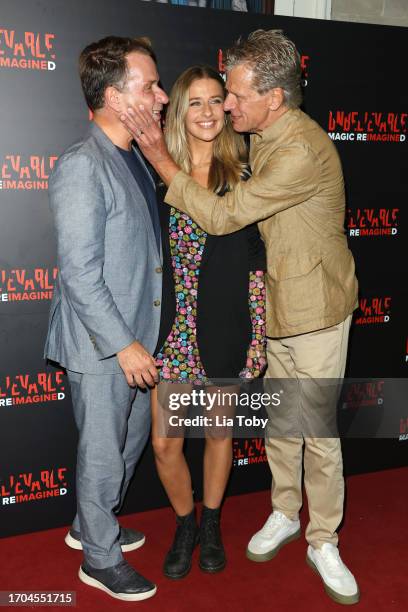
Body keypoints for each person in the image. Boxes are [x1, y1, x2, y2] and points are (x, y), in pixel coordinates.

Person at [121, 29, 360, 606]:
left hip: (312, 311)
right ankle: (282, 512)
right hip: (264, 311)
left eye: (232, 95)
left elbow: (227, 220)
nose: (225, 106)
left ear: (273, 99)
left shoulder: (290, 152)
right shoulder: (258, 142)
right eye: (205, 98)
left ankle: (323, 539)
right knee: (277, 427)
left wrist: (160, 159)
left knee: (318, 433)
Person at [44, 35, 168, 602]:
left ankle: (89, 524)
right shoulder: (82, 164)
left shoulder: (136, 155)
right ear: (116, 97)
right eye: (150, 86)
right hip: (103, 344)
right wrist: (122, 344)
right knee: (101, 451)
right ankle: (98, 557)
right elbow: (80, 273)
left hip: (138, 339)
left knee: (128, 442)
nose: (162, 96)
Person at [151, 65, 266, 579]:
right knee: (165, 443)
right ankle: (185, 523)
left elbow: (257, 267)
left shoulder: (244, 177)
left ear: (227, 107)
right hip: (171, 329)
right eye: (193, 102)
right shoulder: (157, 174)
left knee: (220, 434)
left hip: (225, 323)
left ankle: (213, 522)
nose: (205, 112)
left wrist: (257, 335)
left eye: (215, 100)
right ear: (179, 110)